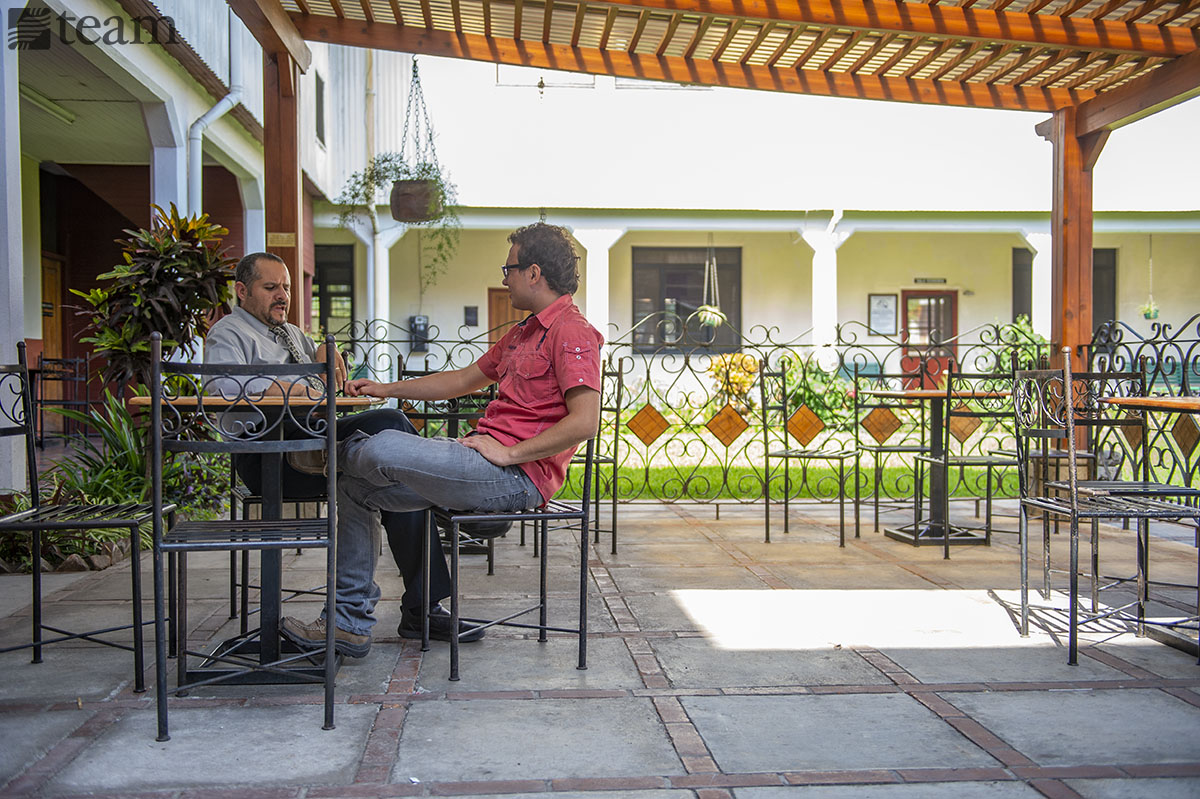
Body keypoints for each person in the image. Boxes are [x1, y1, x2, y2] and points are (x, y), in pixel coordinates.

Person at [279, 222, 603, 657]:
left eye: (508, 268)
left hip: (513, 476)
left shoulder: (572, 331)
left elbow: (585, 422)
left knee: (377, 446)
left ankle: (319, 451)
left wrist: (509, 452)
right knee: (353, 486)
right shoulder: (523, 333)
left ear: (534, 272)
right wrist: (386, 388)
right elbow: (461, 380)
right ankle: (348, 624)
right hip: (478, 460)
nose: (503, 277)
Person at [204, 252, 495, 650]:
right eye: (270, 287)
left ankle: (423, 601)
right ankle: (444, 522)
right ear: (242, 291)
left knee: (393, 442)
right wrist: (288, 388)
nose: (282, 296)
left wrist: (330, 351)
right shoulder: (229, 333)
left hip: (314, 441)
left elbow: (324, 365)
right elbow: (219, 392)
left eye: (286, 287)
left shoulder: (289, 333)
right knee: (392, 434)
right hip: (270, 453)